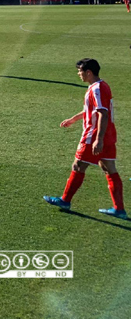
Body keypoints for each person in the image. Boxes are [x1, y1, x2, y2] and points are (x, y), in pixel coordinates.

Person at [43, 59, 126, 219]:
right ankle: (119, 209)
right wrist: (74, 119)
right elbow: (94, 110)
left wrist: (98, 139)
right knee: (108, 167)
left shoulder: (97, 88)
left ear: (89, 72)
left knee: (78, 165)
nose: (78, 74)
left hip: (94, 134)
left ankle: (65, 201)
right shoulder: (101, 86)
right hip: (108, 134)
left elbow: (103, 113)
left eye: (80, 71)